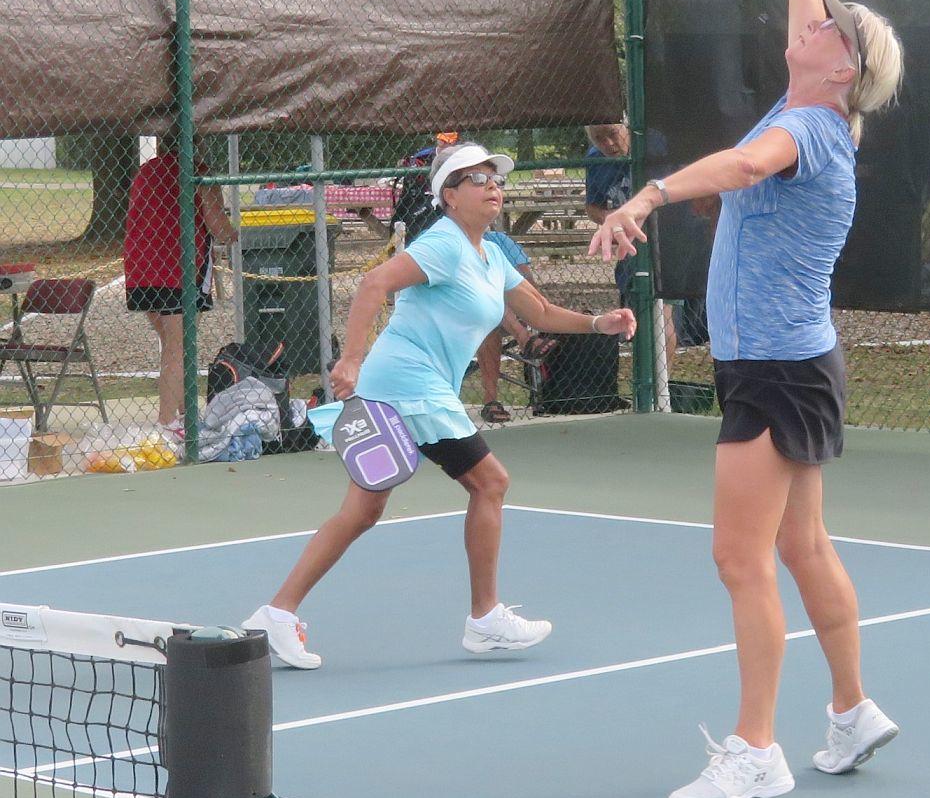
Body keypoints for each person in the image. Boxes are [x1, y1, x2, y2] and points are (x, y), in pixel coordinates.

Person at [592, 0, 905, 798]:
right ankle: (852, 710)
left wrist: (648, 195)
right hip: (794, 364)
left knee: (740, 557)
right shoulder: (811, 96)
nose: (810, 21)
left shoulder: (805, 128)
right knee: (802, 547)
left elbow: (739, 165)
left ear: (843, 66)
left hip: (772, 371)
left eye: (830, 27)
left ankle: (756, 748)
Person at [244, 141, 635, 668]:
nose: (492, 187)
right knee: (490, 482)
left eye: (496, 179)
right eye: (478, 179)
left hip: (407, 387)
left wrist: (597, 323)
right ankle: (485, 618)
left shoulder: (492, 253)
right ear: (449, 196)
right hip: (409, 384)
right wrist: (351, 359)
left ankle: (276, 614)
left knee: (362, 511)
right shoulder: (444, 245)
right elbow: (374, 283)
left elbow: (539, 310)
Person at [124, 135, 238, 432]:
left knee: (174, 344)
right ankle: (167, 423)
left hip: (142, 269)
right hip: (179, 269)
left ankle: (186, 414)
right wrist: (231, 233)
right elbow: (216, 224)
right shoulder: (199, 173)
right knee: (178, 347)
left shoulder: (147, 170)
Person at [585, 122, 677, 369]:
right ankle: (645, 380)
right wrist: (614, 218)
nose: (608, 144)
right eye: (599, 138)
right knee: (637, 316)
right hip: (628, 247)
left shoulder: (654, 144)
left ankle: (662, 383)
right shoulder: (595, 159)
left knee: (663, 314)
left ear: (626, 126)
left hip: (663, 240)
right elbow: (592, 207)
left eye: (612, 134)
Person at [476, 226, 557, 424]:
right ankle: (526, 341)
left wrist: (522, 300)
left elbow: (527, 281)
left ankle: (525, 339)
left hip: (506, 311)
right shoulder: (444, 238)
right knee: (488, 308)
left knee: (497, 298)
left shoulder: (498, 240)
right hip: (463, 313)